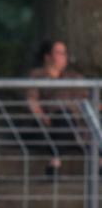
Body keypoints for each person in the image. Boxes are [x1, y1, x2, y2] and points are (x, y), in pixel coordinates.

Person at [25, 40, 88, 177]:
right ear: (48, 57)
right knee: (63, 116)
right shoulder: (37, 76)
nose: (64, 56)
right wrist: (42, 115)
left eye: (64, 53)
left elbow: (86, 100)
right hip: (50, 123)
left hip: (75, 123)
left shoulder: (74, 77)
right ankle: (55, 161)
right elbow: (32, 99)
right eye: (59, 53)